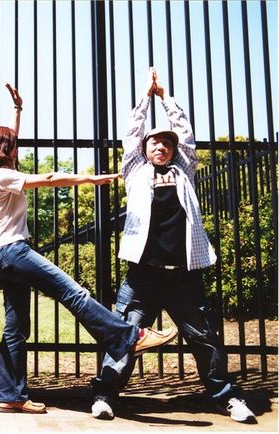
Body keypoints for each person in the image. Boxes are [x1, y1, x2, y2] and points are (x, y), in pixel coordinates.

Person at [0, 83, 178, 414]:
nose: (16, 148)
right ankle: (129, 338)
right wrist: (90, 180)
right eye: (12, 145)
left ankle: (9, 395)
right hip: (15, 252)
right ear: (3, 150)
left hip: (4, 255)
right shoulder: (1, 176)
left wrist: (18, 111)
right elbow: (49, 178)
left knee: (16, 327)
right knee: (74, 293)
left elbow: (9, 139)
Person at [89, 69, 256, 423]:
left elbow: (186, 134)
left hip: (183, 275)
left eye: (166, 143)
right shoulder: (135, 170)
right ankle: (105, 395)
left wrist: (165, 97)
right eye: (154, 143)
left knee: (204, 337)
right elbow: (132, 132)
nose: (161, 147)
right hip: (143, 275)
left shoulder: (184, 170)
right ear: (145, 149)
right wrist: (146, 97)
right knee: (125, 335)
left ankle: (226, 396)